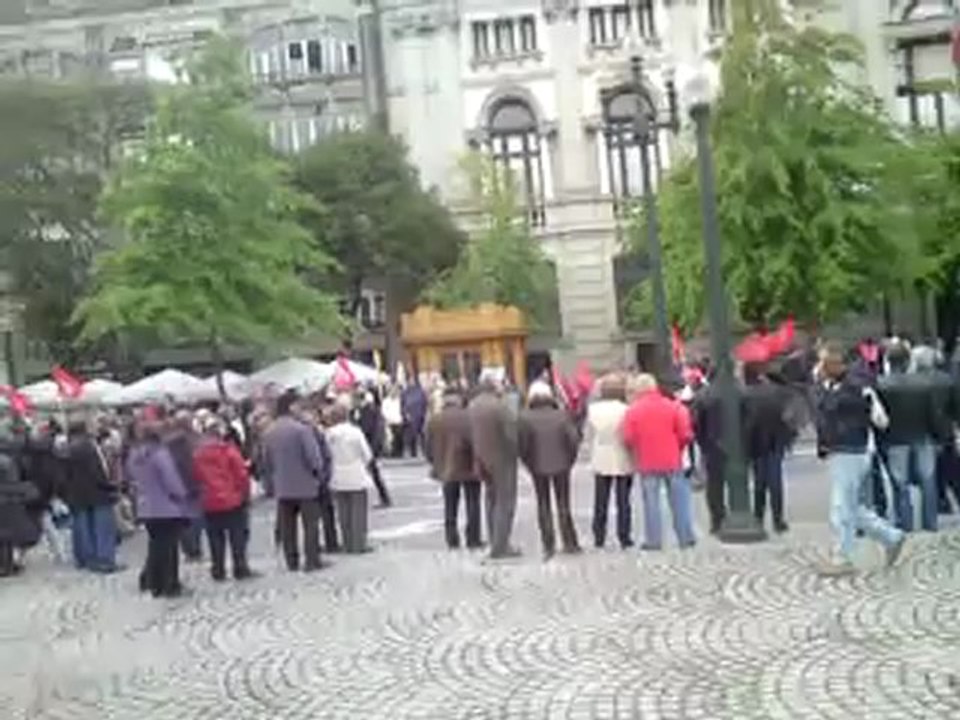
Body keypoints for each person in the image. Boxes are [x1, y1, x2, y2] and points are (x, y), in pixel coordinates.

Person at [816, 343, 906, 576]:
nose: (821, 367)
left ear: (837, 364)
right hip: (846, 449)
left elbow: (878, 418)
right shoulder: (841, 385)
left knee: (841, 505)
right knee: (852, 507)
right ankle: (891, 537)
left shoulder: (853, 388)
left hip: (850, 449)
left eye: (825, 363)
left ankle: (841, 557)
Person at [622, 374, 696, 550]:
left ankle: (653, 540)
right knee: (680, 500)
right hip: (672, 458)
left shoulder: (633, 411)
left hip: (647, 460)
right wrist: (677, 447)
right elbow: (686, 434)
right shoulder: (674, 407)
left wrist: (639, 448)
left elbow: (628, 438)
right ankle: (685, 536)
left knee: (651, 503)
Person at [877, 343, 945, 532]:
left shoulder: (881, 384)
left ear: (888, 361)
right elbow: (933, 414)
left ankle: (904, 522)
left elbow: (878, 416)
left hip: (895, 439)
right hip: (922, 436)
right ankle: (930, 523)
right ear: (908, 361)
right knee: (928, 481)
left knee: (900, 484)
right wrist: (939, 436)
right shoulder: (924, 384)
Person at [127, 415, 193, 597]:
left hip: (146, 506)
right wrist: (182, 494)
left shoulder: (134, 455)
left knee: (156, 545)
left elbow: (131, 478)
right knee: (170, 548)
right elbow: (171, 480)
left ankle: (154, 582)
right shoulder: (160, 454)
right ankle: (170, 584)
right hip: (167, 507)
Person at [262, 392, 328, 572]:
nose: (301, 409)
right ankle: (312, 560)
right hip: (305, 484)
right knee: (310, 525)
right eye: (299, 406)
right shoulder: (301, 430)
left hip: (282, 486)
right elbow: (314, 458)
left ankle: (292, 560)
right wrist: (319, 475)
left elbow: (266, 461)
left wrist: (271, 483)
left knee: (287, 527)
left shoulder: (269, 432)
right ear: (291, 407)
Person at [518, 384, 582, 560]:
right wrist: (570, 460)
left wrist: (528, 462)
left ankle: (548, 544)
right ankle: (570, 542)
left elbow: (522, 445)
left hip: (537, 465)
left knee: (543, 503)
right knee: (563, 503)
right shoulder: (562, 415)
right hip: (562, 464)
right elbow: (573, 440)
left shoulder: (524, 417)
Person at [192, 417, 256, 582]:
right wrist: (246, 495)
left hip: (209, 501)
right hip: (232, 499)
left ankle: (218, 569)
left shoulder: (197, 454)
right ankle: (240, 567)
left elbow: (194, 477)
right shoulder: (228, 450)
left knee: (215, 537)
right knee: (237, 536)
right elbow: (241, 475)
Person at [469, 373, 521, 560]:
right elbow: (511, 433)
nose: (502, 386)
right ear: (493, 386)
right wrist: (518, 451)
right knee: (505, 502)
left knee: (490, 500)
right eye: (500, 383)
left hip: (482, 457)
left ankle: (493, 539)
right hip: (502, 459)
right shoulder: (500, 406)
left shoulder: (473, 405)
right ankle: (501, 545)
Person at [426, 388, 483, 550]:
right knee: (473, 503)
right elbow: (476, 443)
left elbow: (427, 446)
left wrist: (436, 462)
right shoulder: (469, 418)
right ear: (459, 399)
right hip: (468, 466)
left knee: (450, 505)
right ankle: (473, 538)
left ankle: (451, 539)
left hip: (446, 469)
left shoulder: (435, 419)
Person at [63, 420, 122, 573]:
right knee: (103, 529)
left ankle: (85, 559)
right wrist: (110, 486)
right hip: (97, 492)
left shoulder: (67, 448)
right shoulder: (88, 446)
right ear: (85, 429)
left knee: (83, 528)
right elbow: (96, 471)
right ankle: (105, 560)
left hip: (77, 493)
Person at [743, 362, 794, 533]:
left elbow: (744, 423)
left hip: (755, 443)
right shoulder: (776, 392)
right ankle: (778, 520)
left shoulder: (745, 395)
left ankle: (758, 518)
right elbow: (787, 416)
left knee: (759, 482)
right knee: (775, 481)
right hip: (775, 440)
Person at [585, 375, 634, 549]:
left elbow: (588, 436)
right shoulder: (627, 409)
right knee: (623, 501)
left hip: (601, 455)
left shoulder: (593, 410)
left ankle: (599, 536)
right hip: (622, 456)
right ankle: (624, 536)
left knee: (600, 500)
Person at [326, 404, 374, 554]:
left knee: (343, 512)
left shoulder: (329, 434)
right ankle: (358, 544)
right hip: (355, 472)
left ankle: (347, 542)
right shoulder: (355, 432)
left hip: (337, 473)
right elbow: (367, 453)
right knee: (358, 511)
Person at [164, 410, 203, 562]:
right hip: (191, 482)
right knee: (195, 518)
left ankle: (190, 549)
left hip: (177, 484)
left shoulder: (168, 441)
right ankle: (194, 548)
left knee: (184, 519)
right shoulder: (191, 439)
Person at [0, 446, 39, 577]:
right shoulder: (7, 461)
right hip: (7, 502)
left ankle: (6, 565)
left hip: (6, 500)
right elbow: (13, 482)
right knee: (6, 537)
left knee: (4, 536)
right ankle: (6, 566)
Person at [355, 390, 392, 507]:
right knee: (374, 474)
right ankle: (384, 497)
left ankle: (384, 498)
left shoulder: (367, 411)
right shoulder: (369, 410)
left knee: (373, 474)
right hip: (371, 446)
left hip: (369, 446)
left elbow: (367, 429)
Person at [401, 381, 428, 458]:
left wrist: (424, 414)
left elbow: (425, 404)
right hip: (410, 417)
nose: (411, 383)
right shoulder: (405, 393)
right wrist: (405, 414)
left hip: (419, 416)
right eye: (410, 381)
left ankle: (421, 451)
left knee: (420, 434)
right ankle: (412, 451)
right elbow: (402, 405)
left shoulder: (420, 392)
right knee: (410, 435)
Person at [382, 388, 404, 458]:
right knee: (391, 439)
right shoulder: (386, 401)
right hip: (389, 422)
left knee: (399, 437)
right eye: (392, 392)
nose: (394, 393)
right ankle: (392, 452)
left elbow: (401, 410)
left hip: (398, 421)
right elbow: (383, 411)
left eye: (395, 392)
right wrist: (388, 419)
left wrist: (401, 418)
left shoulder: (399, 401)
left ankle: (399, 452)